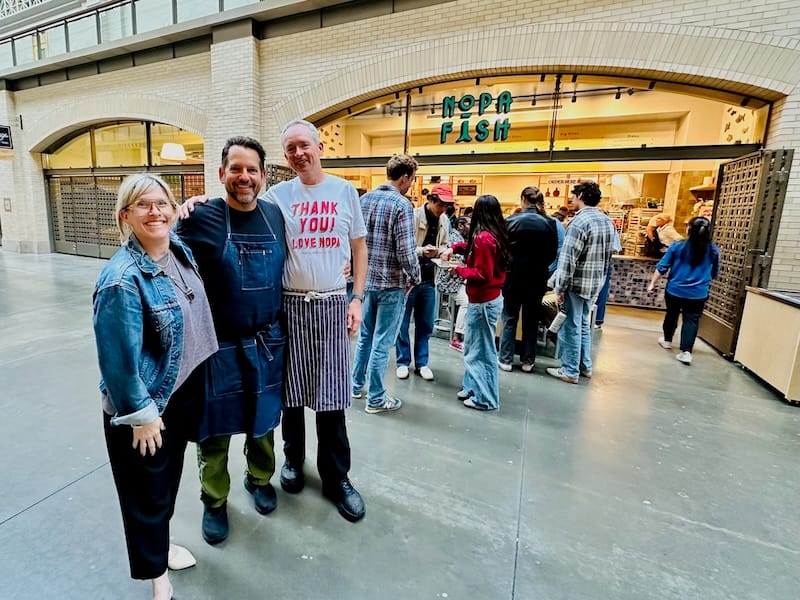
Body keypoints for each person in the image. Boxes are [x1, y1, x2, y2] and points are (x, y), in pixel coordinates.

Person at [93, 174, 218, 600]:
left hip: (180, 391)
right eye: (142, 205)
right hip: (146, 405)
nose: (155, 212)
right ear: (125, 215)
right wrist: (142, 416)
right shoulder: (121, 279)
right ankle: (156, 576)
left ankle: (160, 548)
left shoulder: (176, 249)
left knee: (166, 483)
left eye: (162, 203)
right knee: (145, 495)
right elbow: (118, 364)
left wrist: (198, 203)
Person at [177, 136, 286, 545]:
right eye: (236, 169)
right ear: (221, 173)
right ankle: (215, 499)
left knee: (263, 422)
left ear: (263, 175)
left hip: (267, 344)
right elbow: (166, 257)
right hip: (219, 347)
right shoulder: (200, 217)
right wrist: (179, 208)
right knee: (215, 431)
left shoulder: (275, 216)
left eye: (252, 169)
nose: (244, 177)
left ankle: (259, 479)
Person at [265, 119, 369, 523]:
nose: (298, 153)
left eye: (304, 145)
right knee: (291, 393)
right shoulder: (278, 196)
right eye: (290, 148)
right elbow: (240, 211)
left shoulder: (344, 191)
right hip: (289, 305)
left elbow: (359, 248)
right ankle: (293, 459)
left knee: (332, 395)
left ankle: (336, 477)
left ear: (320, 147)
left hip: (331, 304)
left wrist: (356, 297)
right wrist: (196, 204)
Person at [351, 154, 421, 414]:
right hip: (392, 284)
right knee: (382, 342)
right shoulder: (402, 205)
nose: (411, 185)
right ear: (405, 177)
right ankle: (376, 399)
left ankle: (356, 386)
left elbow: (353, 241)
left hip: (365, 283)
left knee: (365, 337)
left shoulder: (364, 200)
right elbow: (406, 251)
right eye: (412, 180)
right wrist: (415, 277)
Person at [442, 195, 508, 410]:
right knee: (474, 347)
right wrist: (456, 247)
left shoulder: (483, 239)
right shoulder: (494, 234)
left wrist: (459, 270)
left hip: (483, 301)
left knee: (481, 352)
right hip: (487, 299)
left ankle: (485, 398)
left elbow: (482, 273)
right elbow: (473, 250)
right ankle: (472, 387)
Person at [547, 181, 617, 384]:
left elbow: (568, 259)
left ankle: (570, 370)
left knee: (571, 326)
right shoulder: (606, 221)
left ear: (580, 196)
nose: (572, 199)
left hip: (577, 283)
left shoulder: (578, 222)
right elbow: (610, 253)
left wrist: (559, 288)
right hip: (595, 282)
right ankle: (585, 365)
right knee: (584, 324)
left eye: (574, 195)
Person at [395, 183, 453, 381]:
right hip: (409, 279)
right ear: (431, 200)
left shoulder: (444, 220)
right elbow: (402, 246)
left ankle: (422, 363)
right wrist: (422, 251)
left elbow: (444, 244)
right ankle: (403, 362)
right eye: (440, 204)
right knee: (402, 323)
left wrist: (443, 251)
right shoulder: (413, 216)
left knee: (426, 324)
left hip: (429, 278)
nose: (443, 209)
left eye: (446, 206)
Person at [498, 186, 558, 373]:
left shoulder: (510, 221)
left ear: (523, 199)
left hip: (513, 276)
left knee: (509, 317)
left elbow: (502, 250)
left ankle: (506, 359)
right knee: (531, 320)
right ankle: (528, 361)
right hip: (537, 277)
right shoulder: (550, 223)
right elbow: (552, 253)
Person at [647, 216, 720, 365]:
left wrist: (652, 283)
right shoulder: (712, 249)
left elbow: (662, 266)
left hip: (675, 290)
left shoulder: (677, 246)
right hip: (698, 293)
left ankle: (667, 340)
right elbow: (715, 271)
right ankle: (686, 352)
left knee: (671, 314)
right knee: (691, 320)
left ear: (689, 230)